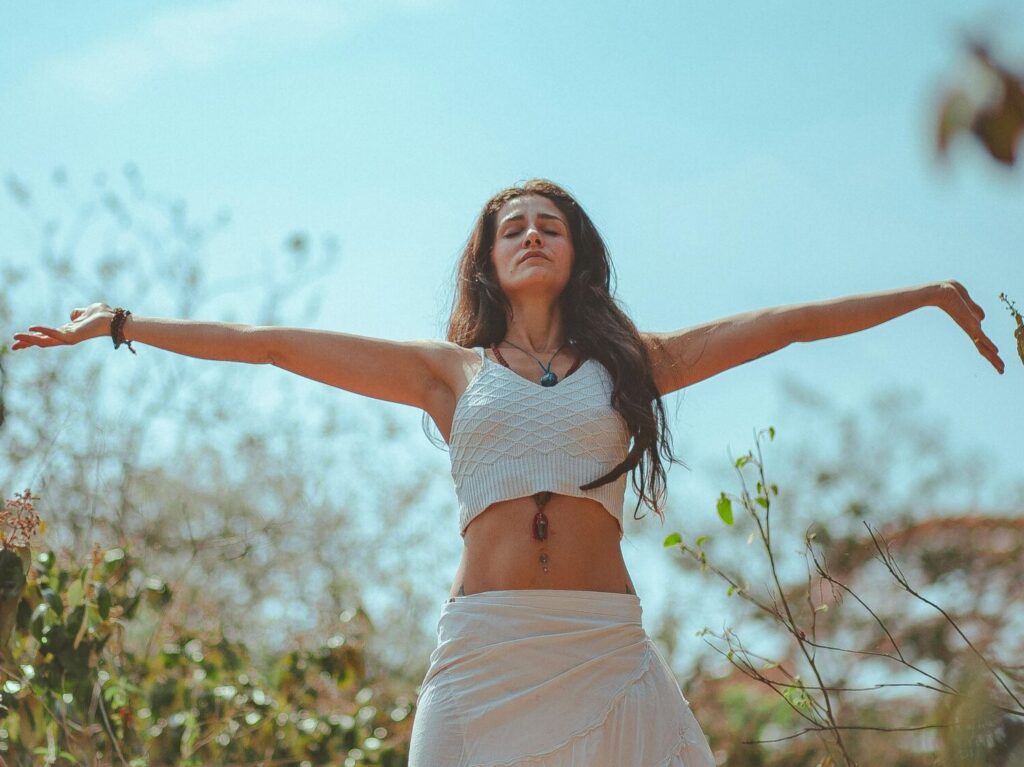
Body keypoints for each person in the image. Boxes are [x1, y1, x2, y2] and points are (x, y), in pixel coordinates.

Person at [11, 179, 1004, 766]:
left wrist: (919, 295)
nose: (531, 233)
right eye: (512, 225)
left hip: (605, 648)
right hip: (484, 649)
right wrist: (127, 323)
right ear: (487, 256)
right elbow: (271, 342)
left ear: (578, 253)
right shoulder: (447, 373)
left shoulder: (632, 361)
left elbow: (785, 322)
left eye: (550, 224)